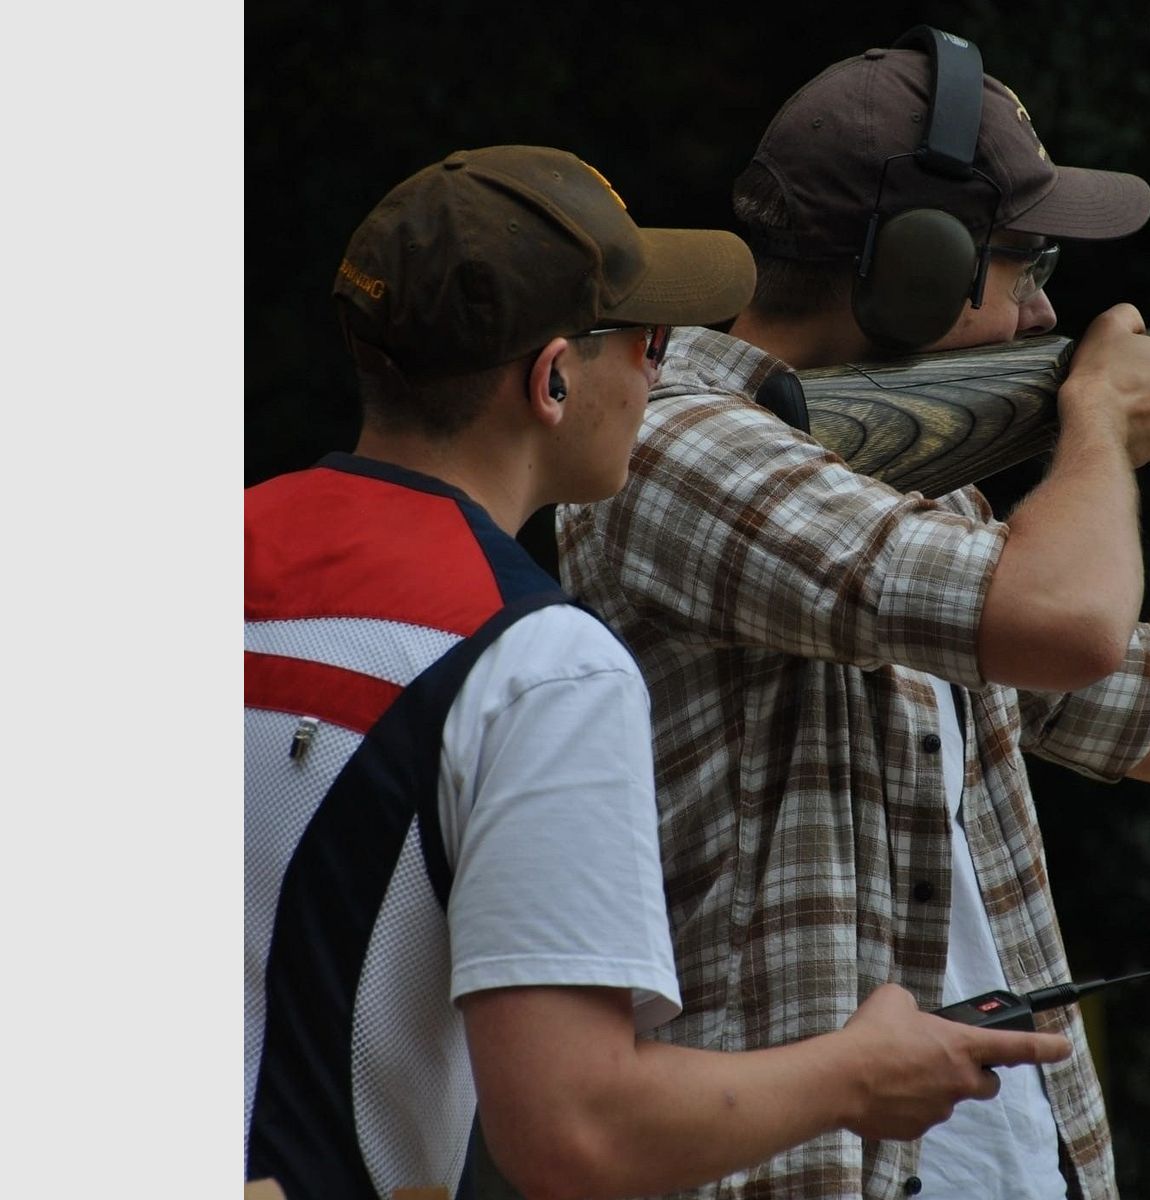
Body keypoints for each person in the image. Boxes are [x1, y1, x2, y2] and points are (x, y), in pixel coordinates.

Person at [557, 30, 1150, 1200]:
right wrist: (1095, 429)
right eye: (1024, 264)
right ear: (914, 271)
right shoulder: (672, 448)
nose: (1047, 312)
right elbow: (1068, 618)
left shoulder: (916, 504)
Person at [243, 144, 1075, 1200]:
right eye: (646, 339)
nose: (666, 363)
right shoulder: (535, 666)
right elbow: (574, 1134)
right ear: (552, 379)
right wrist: (857, 1075)